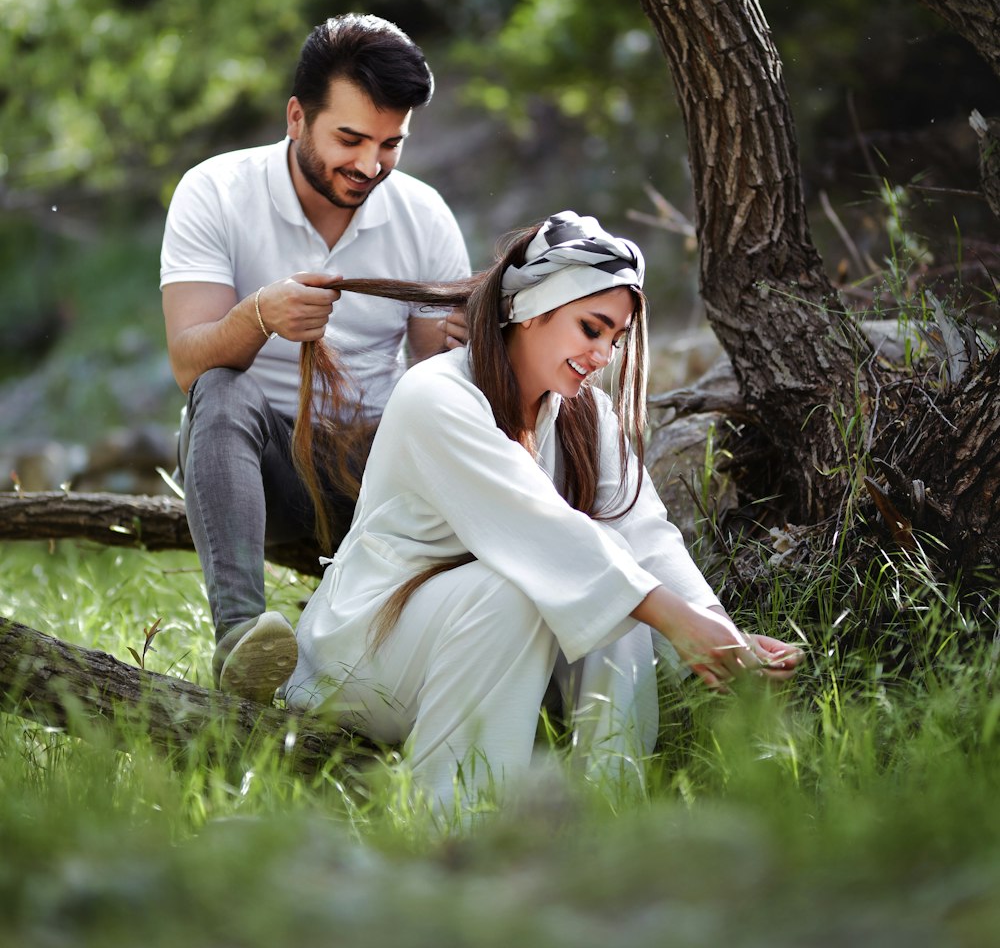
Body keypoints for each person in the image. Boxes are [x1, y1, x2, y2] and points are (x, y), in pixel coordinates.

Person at [270, 211, 802, 811]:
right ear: (531, 309)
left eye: (614, 340)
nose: (602, 355)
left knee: (620, 586)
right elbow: (539, 530)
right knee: (541, 585)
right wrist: (675, 621)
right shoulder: (435, 395)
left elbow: (645, 535)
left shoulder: (583, 415)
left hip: (473, 647)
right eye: (590, 328)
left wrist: (720, 633)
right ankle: (452, 823)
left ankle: (609, 809)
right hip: (365, 654)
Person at [159, 14, 470, 702]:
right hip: (262, 471)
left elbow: (432, 390)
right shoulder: (214, 191)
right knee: (220, 388)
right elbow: (187, 361)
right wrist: (260, 315)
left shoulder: (423, 216)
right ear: (297, 117)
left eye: (392, 144)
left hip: (377, 473)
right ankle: (241, 640)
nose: (370, 165)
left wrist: (468, 352)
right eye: (350, 139)